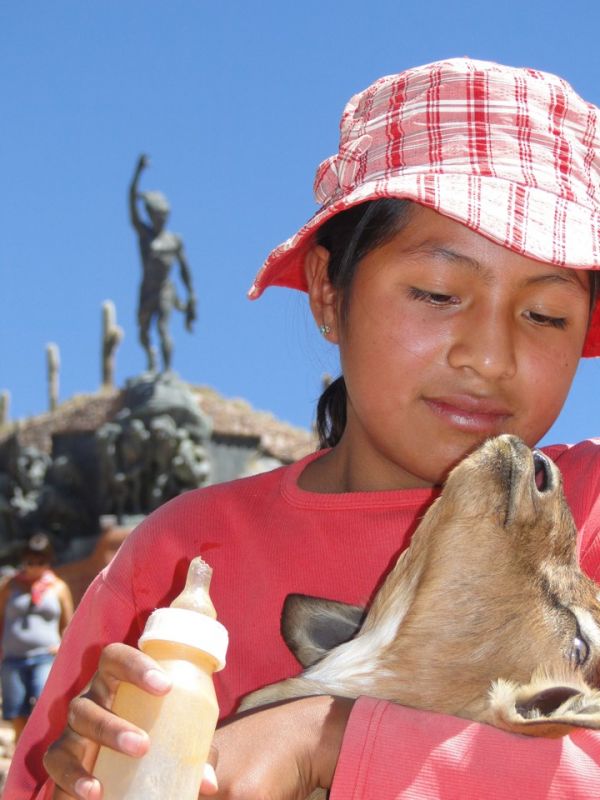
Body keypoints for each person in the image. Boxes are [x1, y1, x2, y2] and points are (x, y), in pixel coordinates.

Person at [6, 57, 600, 800]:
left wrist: (328, 738)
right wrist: (77, 782)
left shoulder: (587, 514)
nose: (488, 356)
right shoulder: (178, 555)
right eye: (437, 292)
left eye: (545, 315)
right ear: (328, 291)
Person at [0, 533, 73, 744]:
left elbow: (69, 622)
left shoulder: (58, 587)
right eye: (29, 562)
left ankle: (43, 748)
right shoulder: (10, 585)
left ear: (48, 562)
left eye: (40, 562)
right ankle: (20, 753)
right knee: (16, 709)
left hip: (44, 656)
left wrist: (62, 646)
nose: (34, 567)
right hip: (13, 657)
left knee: (44, 701)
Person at [129, 153, 197, 373]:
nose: (161, 219)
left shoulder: (174, 240)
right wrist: (138, 173)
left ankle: (167, 372)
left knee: (163, 328)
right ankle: (152, 360)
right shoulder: (145, 235)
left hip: (165, 289)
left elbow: (184, 269)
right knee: (143, 332)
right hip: (147, 290)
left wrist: (191, 293)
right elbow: (131, 204)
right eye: (157, 215)